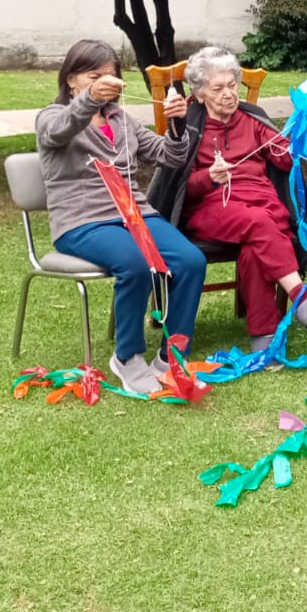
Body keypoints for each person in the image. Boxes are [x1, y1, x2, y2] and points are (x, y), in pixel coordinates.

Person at [35, 39, 206, 395]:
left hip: (134, 214)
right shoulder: (51, 117)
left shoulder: (120, 118)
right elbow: (59, 130)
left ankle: (171, 357)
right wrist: (90, 98)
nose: (104, 83)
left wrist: (177, 124)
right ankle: (127, 357)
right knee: (135, 264)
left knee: (191, 260)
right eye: (94, 76)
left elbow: (170, 157)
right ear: (70, 79)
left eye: (110, 76)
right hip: (82, 222)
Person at [147, 46, 307, 354]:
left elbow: (285, 162)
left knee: (255, 249)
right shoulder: (188, 126)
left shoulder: (253, 120)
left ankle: (264, 339)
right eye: (217, 89)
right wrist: (209, 177)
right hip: (210, 208)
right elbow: (180, 189)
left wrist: (300, 132)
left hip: (263, 206)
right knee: (259, 223)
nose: (228, 94)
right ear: (199, 94)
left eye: (232, 85)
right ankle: (300, 295)